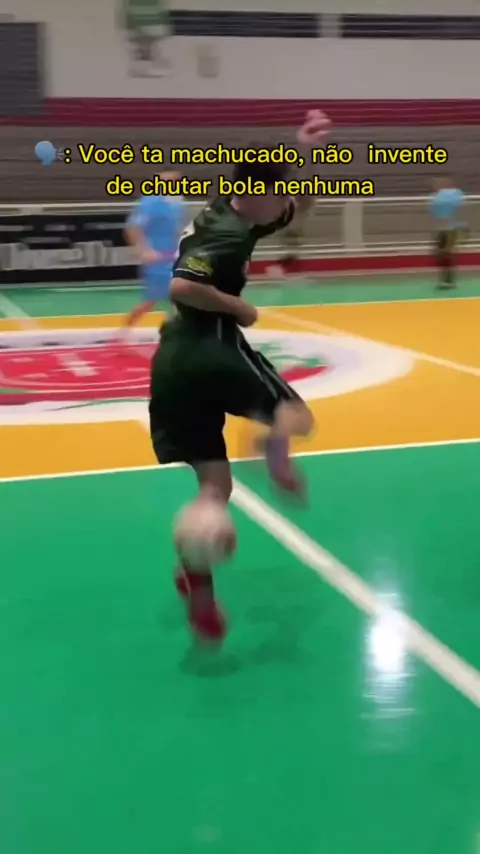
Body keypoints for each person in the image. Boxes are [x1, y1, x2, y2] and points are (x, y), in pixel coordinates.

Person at [149, 111, 331, 641]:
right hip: (211, 348)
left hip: (173, 363)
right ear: (256, 192)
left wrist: (306, 150)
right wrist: (239, 307)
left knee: (214, 489)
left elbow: (300, 206)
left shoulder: (234, 211)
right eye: (280, 192)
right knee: (295, 415)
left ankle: (199, 587)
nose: (286, 201)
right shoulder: (229, 234)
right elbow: (181, 286)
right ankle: (271, 448)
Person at [117, 170, 184, 341]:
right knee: (152, 300)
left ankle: (176, 334)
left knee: (178, 298)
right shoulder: (150, 203)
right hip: (157, 260)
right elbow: (133, 228)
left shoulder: (176, 203)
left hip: (172, 257)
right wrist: (144, 250)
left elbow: (175, 229)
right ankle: (123, 333)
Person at [430, 176, 465, 290]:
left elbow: (457, 210)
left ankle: (450, 281)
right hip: (442, 229)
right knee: (440, 253)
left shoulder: (454, 195)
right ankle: (444, 279)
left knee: (448, 253)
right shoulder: (437, 197)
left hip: (452, 229)